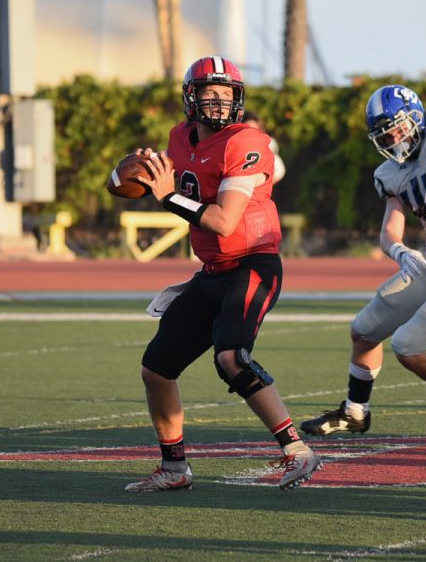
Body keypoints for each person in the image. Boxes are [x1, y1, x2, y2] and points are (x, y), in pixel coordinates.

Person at [123, 55, 320, 491]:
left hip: (253, 263)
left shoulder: (244, 140)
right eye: (208, 93)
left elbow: (222, 222)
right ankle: (174, 468)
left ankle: (297, 450)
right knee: (156, 369)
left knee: (231, 357)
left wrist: (167, 196)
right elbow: (161, 181)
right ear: (189, 99)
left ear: (238, 98)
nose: (217, 102)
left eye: (226, 94)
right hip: (211, 271)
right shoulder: (179, 137)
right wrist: (135, 173)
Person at [300, 84, 426, 446]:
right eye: (385, 134)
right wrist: (399, 251)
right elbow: (389, 230)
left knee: (409, 345)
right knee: (363, 331)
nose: (394, 139)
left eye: (398, 128)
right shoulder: (390, 174)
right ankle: (355, 413)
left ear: (416, 119)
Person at [243, 111, 287, 185]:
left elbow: (279, 170)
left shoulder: (268, 143)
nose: (251, 132)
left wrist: (263, 183)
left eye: (254, 129)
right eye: (247, 128)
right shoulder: (234, 143)